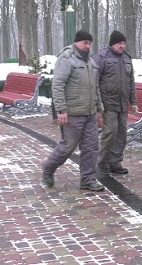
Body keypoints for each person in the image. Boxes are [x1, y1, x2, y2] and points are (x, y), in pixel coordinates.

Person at [42, 30, 105, 192]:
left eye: (90, 43)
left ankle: (88, 180)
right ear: (76, 42)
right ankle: (49, 168)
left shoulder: (90, 61)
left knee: (91, 148)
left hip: (90, 113)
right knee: (67, 147)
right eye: (85, 43)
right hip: (72, 113)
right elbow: (58, 85)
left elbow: (95, 87)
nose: (88, 46)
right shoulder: (66, 59)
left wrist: (99, 109)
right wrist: (61, 110)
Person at [95, 30, 137, 177]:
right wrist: (99, 102)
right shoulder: (102, 57)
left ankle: (116, 161)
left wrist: (134, 101)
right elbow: (95, 81)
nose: (122, 46)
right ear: (113, 43)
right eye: (120, 43)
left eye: (124, 43)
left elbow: (131, 81)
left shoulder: (126, 58)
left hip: (123, 103)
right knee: (110, 133)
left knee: (121, 134)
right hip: (108, 103)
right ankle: (102, 162)